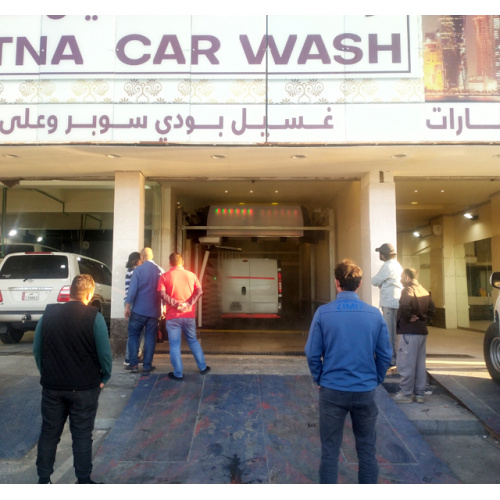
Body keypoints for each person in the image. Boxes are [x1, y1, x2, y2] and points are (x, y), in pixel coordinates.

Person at [305, 259, 392, 484]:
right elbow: (385, 355)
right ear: (360, 283)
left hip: (332, 391)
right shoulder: (374, 315)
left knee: (330, 452)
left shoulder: (323, 313)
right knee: (366, 451)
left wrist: (319, 377)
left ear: (337, 283)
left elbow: (312, 353)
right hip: (365, 391)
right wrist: (375, 379)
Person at [33, 274, 112, 485]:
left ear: (70, 292)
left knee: (49, 433)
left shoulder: (47, 315)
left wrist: (46, 373)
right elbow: (104, 353)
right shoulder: (94, 317)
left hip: (52, 388)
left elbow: (37, 350)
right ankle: (83, 481)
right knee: (82, 435)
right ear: (89, 294)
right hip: (85, 388)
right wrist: (105, 376)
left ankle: (43, 480)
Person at [158, 252, 210, 381]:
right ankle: (202, 367)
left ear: (170, 263)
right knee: (192, 340)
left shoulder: (164, 276)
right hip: (189, 315)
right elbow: (199, 291)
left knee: (175, 345)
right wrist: (187, 304)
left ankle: (178, 373)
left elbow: (161, 294)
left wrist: (176, 305)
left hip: (172, 316)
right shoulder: (191, 275)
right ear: (182, 262)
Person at [394, 268, 435, 404]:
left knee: (406, 363)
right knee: (419, 364)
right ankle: (419, 394)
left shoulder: (408, 290)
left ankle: (405, 394)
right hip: (422, 332)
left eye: (401, 276)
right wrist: (424, 320)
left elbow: (405, 304)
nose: (400, 279)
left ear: (406, 277)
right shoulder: (424, 291)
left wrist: (408, 317)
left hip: (409, 332)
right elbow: (432, 309)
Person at [124, 247, 163, 375]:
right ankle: (147, 366)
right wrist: (163, 308)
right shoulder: (160, 271)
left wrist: (127, 306)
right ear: (152, 256)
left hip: (138, 311)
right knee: (150, 338)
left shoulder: (138, 270)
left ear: (142, 257)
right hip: (154, 312)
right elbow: (163, 292)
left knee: (134, 336)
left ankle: (134, 365)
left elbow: (132, 291)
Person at [371, 243, 403, 366]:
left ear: (383, 255)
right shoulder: (396, 264)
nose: (379, 255)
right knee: (395, 332)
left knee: (389, 332)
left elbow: (374, 281)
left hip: (390, 302)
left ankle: (391, 359)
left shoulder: (387, 266)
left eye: (380, 253)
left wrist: (381, 284)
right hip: (395, 301)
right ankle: (395, 358)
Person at [124, 251, 143, 366]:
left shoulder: (130, 271)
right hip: (132, 303)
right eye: (141, 259)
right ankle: (129, 358)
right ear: (136, 261)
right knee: (134, 333)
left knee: (133, 332)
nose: (142, 261)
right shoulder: (135, 272)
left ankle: (131, 357)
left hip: (129, 302)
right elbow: (134, 290)